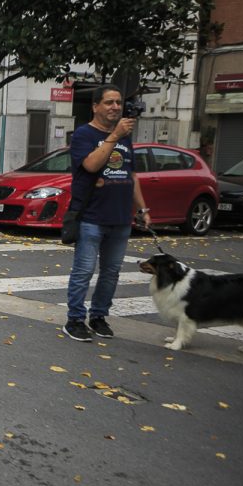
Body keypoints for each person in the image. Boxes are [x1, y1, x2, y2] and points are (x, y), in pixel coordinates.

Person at [62, 86, 150, 341]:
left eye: (118, 102)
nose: (115, 107)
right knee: (84, 271)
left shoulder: (125, 137)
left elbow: (132, 176)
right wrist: (115, 135)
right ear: (95, 106)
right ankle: (74, 320)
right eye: (109, 102)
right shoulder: (84, 134)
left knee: (111, 273)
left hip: (120, 217)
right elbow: (91, 165)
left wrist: (142, 208)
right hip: (91, 216)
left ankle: (99, 316)